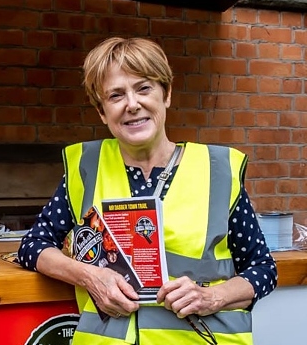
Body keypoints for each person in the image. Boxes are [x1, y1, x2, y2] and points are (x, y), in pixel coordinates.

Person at [18, 37, 277, 345]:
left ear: (166, 94)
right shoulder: (86, 168)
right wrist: (89, 277)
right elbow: (34, 245)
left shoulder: (218, 169)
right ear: (102, 112)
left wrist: (212, 297)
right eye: (116, 95)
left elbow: (262, 269)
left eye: (143, 88)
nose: (132, 104)